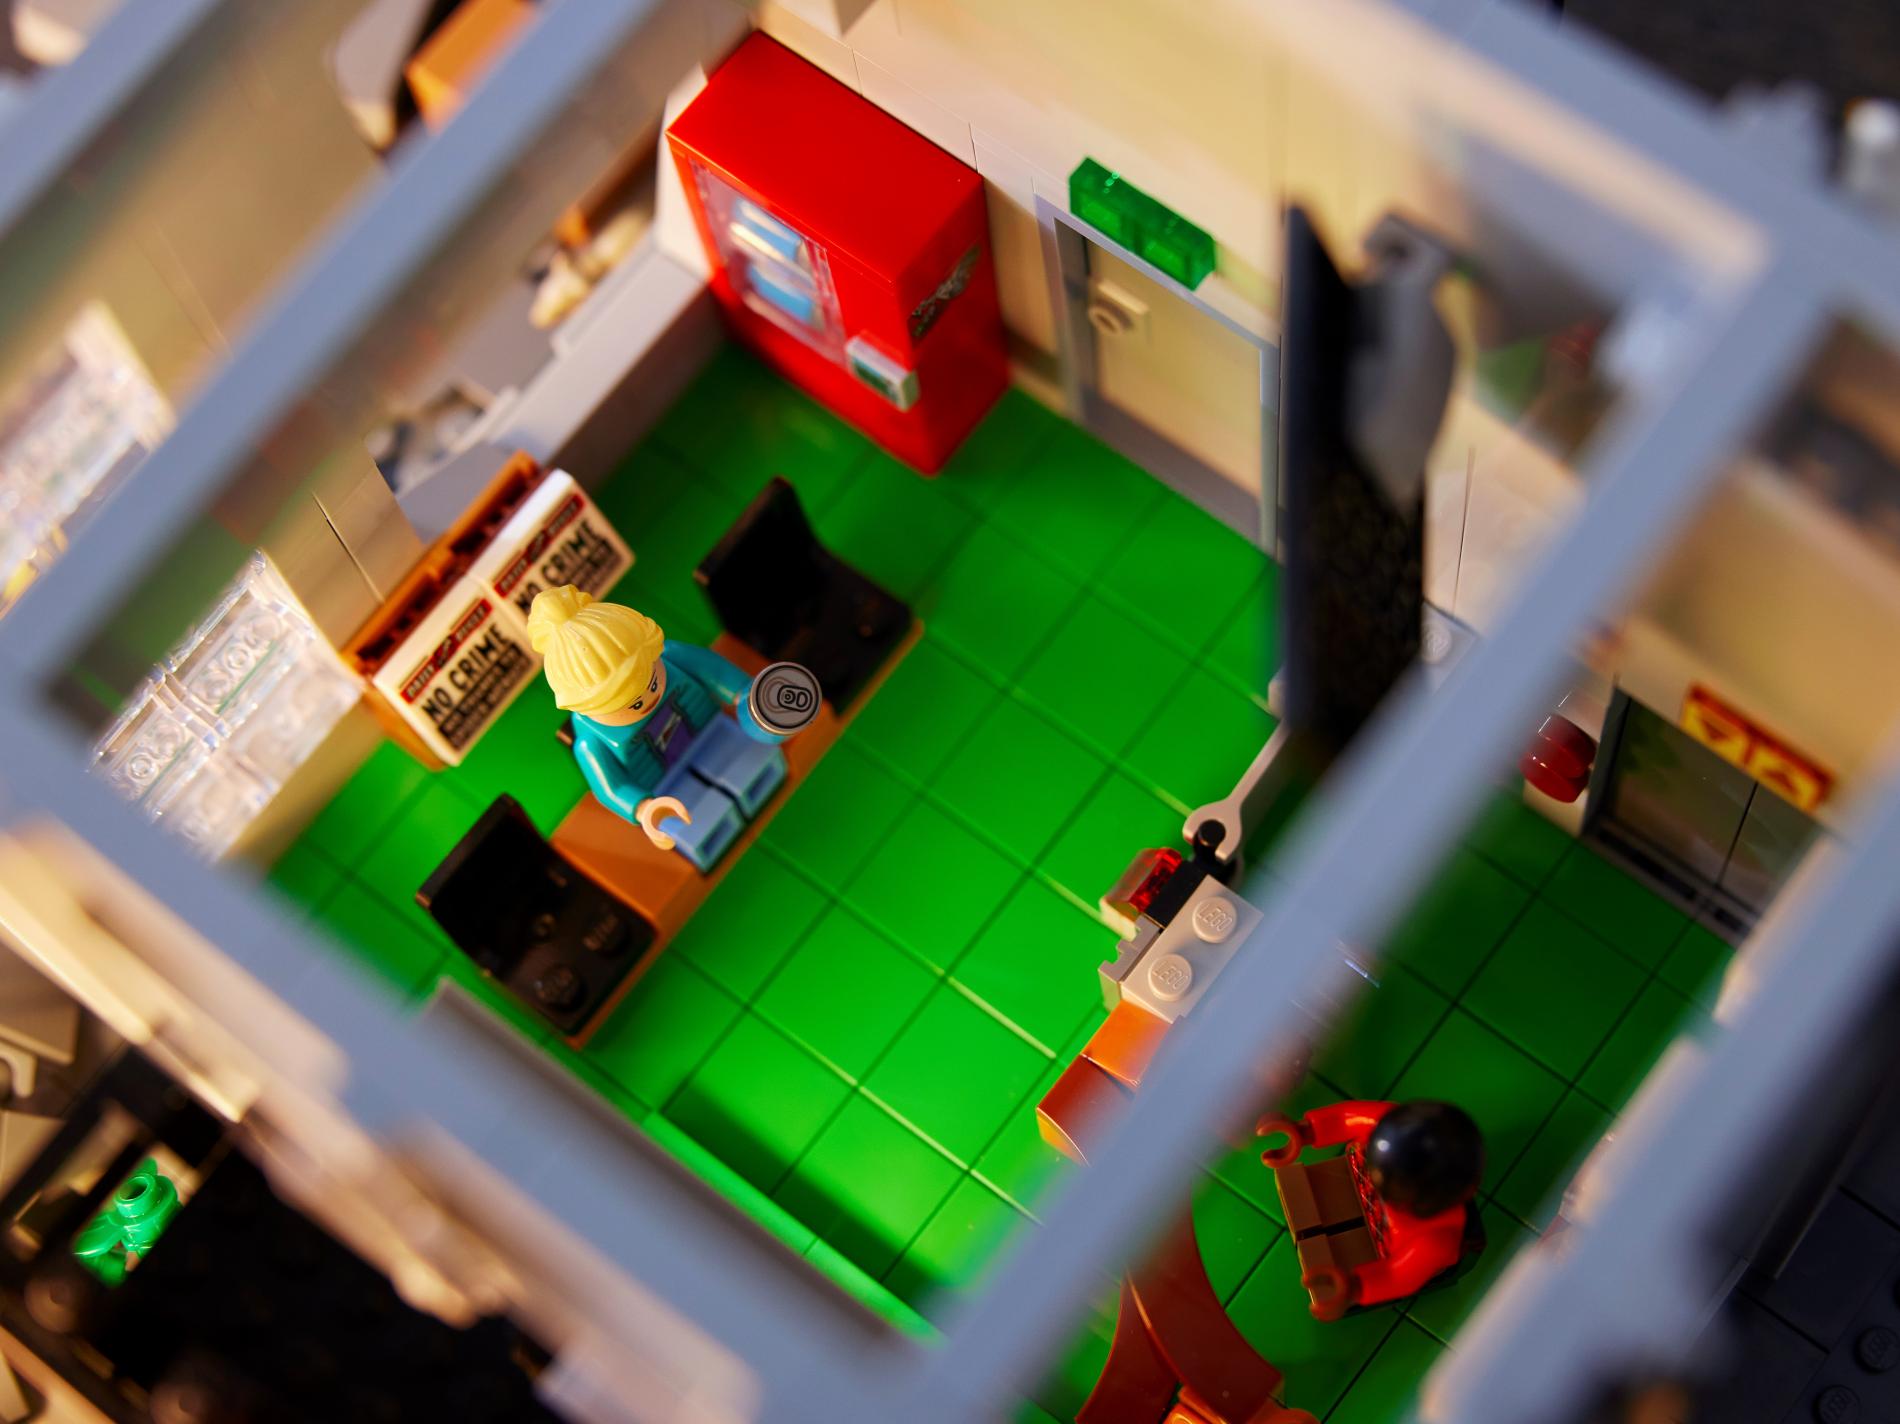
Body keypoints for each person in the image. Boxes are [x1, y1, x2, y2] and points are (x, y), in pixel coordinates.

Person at [528, 585, 811, 871]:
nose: (650, 698)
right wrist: (644, 808)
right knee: (701, 824)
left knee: (757, 764)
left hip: (715, 736)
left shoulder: (672, 657)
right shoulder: (591, 741)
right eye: (634, 703)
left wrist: (750, 698)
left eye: (652, 683)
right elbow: (612, 787)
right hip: (668, 787)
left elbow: (714, 672)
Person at [1257, 1098, 1484, 1320]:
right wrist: (1304, 1131)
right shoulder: (1392, 1130)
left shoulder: (1435, 1239)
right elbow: (1346, 1118)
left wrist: (1354, 1287)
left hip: (1379, 1248)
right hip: (1353, 1180)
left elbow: (1395, 1275)